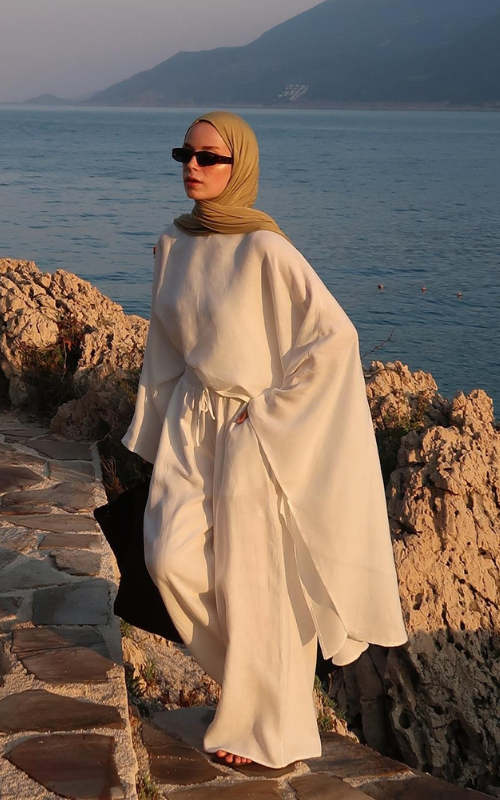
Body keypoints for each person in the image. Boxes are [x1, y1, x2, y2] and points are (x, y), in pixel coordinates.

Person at [121, 110, 408, 770]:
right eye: (185, 154)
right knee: (169, 557)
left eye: (209, 157)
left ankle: (265, 724)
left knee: (253, 578)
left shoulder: (264, 249)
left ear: (240, 165)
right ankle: (265, 693)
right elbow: (165, 343)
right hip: (192, 419)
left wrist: (271, 412)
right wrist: (156, 422)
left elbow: (335, 338)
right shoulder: (173, 241)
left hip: (249, 427)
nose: (193, 167)